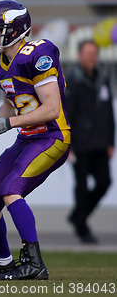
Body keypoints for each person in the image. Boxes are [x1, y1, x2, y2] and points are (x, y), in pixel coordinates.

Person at [0, 0, 71, 280]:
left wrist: (7, 124)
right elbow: (11, 104)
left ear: (14, 30)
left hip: (52, 136)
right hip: (27, 138)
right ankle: (3, 261)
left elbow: (50, 109)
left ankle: (35, 263)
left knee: (12, 189)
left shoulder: (38, 53)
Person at [65, 39, 114, 244]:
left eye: (94, 53)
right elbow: (66, 115)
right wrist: (67, 146)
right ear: (79, 56)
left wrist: (111, 141)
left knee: (104, 182)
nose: (91, 57)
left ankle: (77, 215)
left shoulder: (103, 79)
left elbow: (108, 112)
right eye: (87, 53)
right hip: (80, 144)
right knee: (82, 186)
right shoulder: (72, 82)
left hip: (101, 143)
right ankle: (82, 227)